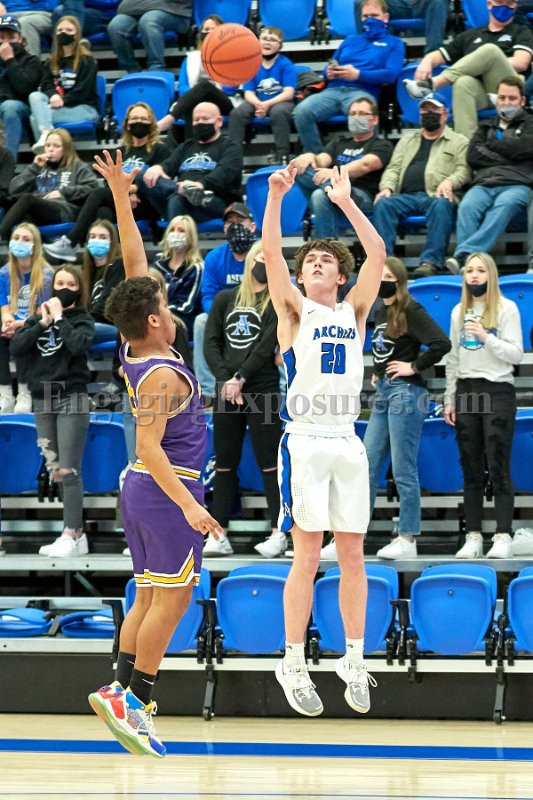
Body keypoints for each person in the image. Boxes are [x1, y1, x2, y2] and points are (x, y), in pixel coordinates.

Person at [87, 149, 221, 758]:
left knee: (147, 595)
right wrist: (190, 505)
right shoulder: (163, 375)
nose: (168, 307)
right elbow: (148, 444)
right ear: (154, 322)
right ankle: (136, 699)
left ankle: (119, 693)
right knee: (173, 598)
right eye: (162, 307)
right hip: (168, 489)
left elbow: (136, 266)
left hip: (142, 489)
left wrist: (121, 194)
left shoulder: (133, 345)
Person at [263, 163, 385, 716]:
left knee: (354, 553)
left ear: (340, 276)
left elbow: (377, 253)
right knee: (308, 553)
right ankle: (292, 661)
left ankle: (353, 658)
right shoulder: (294, 309)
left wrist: (346, 202)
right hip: (306, 439)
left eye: (325, 260)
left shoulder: (354, 310)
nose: (316, 263)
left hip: (346, 440)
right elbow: (271, 254)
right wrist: (276, 197)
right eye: (309, 260)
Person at [360, 256, 450, 561]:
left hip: (407, 393)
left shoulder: (411, 309)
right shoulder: (380, 310)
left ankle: (407, 538)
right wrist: (378, 371)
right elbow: (384, 348)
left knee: (403, 469)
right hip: (384, 391)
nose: (382, 281)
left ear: (399, 281)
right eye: (379, 276)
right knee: (366, 465)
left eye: (388, 277)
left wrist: (414, 366)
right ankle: (353, 536)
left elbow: (441, 343)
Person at [203, 240, 284, 558]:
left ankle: (278, 532)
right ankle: (218, 534)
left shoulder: (277, 302)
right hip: (227, 391)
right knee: (224, 463)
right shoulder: (225, 299)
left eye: (269, 258)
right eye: (260, 257)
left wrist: (240, 378)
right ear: (250, 260)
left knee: (270, 462)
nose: (263, 262)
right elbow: (211, 343)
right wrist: (227, 380)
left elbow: (265, 347)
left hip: (263, 388)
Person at [10, 264, 94, 556]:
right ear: (51, 287)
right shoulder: (38, 319)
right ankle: (72, 533)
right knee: (56, 470)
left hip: (72, 396)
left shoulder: (82, 319)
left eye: (71, 285)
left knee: (70, 469)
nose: (64, 289)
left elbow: (78, 346)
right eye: (60, 283)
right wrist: (43, 323)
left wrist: (60, 319)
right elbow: (17, 347)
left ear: (78, 290)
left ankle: (73, 533)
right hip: (42, 399)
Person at [444, 252, 523, 559]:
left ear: (491, 274)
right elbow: (453, 358)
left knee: (499, 465)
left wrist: (486, 337)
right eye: (469, 271)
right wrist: (450, 397)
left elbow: (516, 354)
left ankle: (502, 535)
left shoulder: (506, 308)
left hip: (498, 389)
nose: (474, 275)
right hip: (467, 390)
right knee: (470, 468)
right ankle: (473, 536)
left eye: (480, 270)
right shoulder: (457, 311)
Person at [43, 102, 171, 263]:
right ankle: (110, 263)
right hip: (120, 199)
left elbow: (160, 183)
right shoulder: (120, 151)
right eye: (134, 118)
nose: (138, 121)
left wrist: (132, 190)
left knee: (98, 194)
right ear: (127, 124)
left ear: (151, 123)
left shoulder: (160, 150)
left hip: (145, 203)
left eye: (143, 118)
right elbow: (107, 181)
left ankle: (70, 241)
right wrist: (126, 193)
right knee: (103, 213)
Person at [372, 93, 470, 278]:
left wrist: (450, 181)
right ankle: (384, 263)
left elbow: (464, 169)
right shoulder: (407, 140)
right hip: (405, 196)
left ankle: (430, 263)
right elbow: (393, 168)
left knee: (442, 204)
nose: (429, 113)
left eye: (434, 109)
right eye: (425, 109)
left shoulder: (459, 141)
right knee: (383, 203)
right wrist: (387, 188)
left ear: (445, 114)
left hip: (435, 196)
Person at [403, 0, 533, 139]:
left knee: (490, 51)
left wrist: (487, 62)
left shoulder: (521, 31)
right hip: (482, 93)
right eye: (500, 2)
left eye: (510, 3)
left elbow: (522, 62)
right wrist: (426, 61)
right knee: (463, 82)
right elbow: (439, 55)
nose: (505, 6)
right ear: (489, 4)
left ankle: (433, 84)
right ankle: (466, 146)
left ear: (515, 6)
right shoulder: (471, 35)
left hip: (510, 89)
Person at [293, 0, 405, 153]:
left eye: (374, 15)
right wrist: (328, 73)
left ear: (385, 17)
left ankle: (368, 157)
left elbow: (391, 75)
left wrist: (358, 75)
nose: (369, 20)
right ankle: (317, 157)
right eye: (365, 16)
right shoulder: (350, 40)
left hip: (362, 93)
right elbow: (330, 65)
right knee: (301, 112)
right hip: (333, 90)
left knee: (364, 115)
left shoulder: (394, 43)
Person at [445, 77, 533, 274]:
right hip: (484, 183)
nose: (506, 102)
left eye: (512, 98)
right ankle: (470, 264)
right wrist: (512, 156)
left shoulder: (530, 123)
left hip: (517, 183)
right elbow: (473, 155)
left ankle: (466, 257)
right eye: (502, 98)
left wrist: (493, 145)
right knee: (467, 207)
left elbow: (527, 147)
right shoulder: (485, 126)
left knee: (504, 205)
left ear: (522, 101)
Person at [293, 96, 393, 238]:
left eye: (362, 113)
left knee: (320, 194)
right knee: (301, 170)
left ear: (374, 120)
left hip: (361, 198)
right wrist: (309, 157)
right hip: (332, 194)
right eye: (352, 114)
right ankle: (329, 248)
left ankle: (325, 246)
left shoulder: (382, 145)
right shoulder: (338, 142)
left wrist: (336, 175)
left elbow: (365, 165)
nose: (356, 117)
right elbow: (321, 161)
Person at [140, 101, 243, 225]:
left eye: (205, 119)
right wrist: (158, 168)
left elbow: (222, 175)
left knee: (178, 198)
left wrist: (199, 185)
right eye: (196, 120)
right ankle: (184, 191)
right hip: (181, 199)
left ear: (219, 121)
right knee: (142, 175)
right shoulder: (186, 147)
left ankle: (185, 196)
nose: (200, 122)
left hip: (213, 201)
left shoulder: (230, 147)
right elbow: (168, 166)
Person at [193, 202, 257, 400]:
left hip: (258, 312)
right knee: (201, 322)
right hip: (225, 314)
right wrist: (222, 315)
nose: (235, 226)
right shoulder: (215, 257)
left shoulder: (263, 252)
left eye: (240, 221)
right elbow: (208, 295)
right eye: (230, 222)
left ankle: (282, 387)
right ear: (224, 229)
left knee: (282, 321)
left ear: (252, 226)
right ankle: (207, 391)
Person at [0, 129, 98, 241]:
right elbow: (13, 189)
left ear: (66, 149)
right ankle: (29, 250)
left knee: (27, 199)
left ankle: (1, 234)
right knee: (23, 220)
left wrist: (63, 192)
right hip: (40, 210)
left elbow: (93, 187)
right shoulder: (40, 168)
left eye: (56, 146)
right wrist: (34, 168)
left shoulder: (78, 166)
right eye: (48, 145)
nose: (51, 149)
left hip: (64, 211)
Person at [157, 14, 236, 143]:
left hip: (222, 100)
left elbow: (233, 86)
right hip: (194, 101)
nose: (209, 32)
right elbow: (182, 86)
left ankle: (170, 118)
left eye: (214, 29)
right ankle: (192, 149)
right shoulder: (190, 59)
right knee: (195, 102)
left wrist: (212, 89)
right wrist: (196, 94)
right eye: (206, 29)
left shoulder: (233, 57)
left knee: (204, 86)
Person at [0, 223, 53, 413]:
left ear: (35, 245)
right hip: (14, 325)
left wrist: (17, 325)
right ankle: (5, 393)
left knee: (22, 335)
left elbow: (40, 315)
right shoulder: (4, 273)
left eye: (26, 239)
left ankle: (24, 392)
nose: (20, 242)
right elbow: (5, 309)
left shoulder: (46, 275)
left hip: (36, 326)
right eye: (16, 238)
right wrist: (7, 322)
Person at [28, 15, 100, 152]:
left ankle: (47, 153)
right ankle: (47, 134)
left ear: (77, 34)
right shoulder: (51, 61)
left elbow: (83, 91)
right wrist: (53, 96)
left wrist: (62, 100)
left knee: (35, 117)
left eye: (69, 30)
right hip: (59, 107)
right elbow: (46, 85)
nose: (63, 33)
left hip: (85, 108)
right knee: (35, 96)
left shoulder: (87, 60)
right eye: (60, 30)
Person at [227, 26, 297, 165]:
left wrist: (267, 104)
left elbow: (289, 93)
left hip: (279, 102)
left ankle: (282, 156)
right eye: (264, 38)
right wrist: (258, 104)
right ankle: (233, 159)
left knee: (279, 113)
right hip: (257, 101)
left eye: (273, 40)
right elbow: (248, 92)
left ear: (280, 46)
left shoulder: (286, 64)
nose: (267, 43)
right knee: (237, 113)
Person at [153, 215, 203, 340]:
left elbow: (186, 306)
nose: (175, 234)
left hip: (183, 319)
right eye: (172, 230)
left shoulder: (196, 268)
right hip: (157, 316)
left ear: (190, 237)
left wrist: (159, 313)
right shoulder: (158, 263)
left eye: (181, 231)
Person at [107, 0, 192, 73]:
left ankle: (156, 69)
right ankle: (132, 71)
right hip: (134, 11)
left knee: (148, 21)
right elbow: (123, 7)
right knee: (115, 26)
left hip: (173, 11)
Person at [0, 14, 41, 159]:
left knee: (10, 107)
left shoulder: (31, 61)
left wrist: (9, 60)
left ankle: (7, 165)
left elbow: (25, 88)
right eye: (1, 37)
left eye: (11, 37)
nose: (6, 42)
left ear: (20, 39)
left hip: (22, 109)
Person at [82, 219, 124, 344]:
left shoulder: (118, 265)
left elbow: (106, 305)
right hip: (91, 323)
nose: (97, 240)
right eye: (93, 236)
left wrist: (82, 322)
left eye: (103, 237)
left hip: (111, 325)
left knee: (75, 331)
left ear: (112, 242)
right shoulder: (86, 272)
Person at [354, 0, 449, 53]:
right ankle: (365, 51)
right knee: (361, 2)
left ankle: (432, 57)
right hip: (399, 4)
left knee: (439, 1)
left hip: (427, 4)